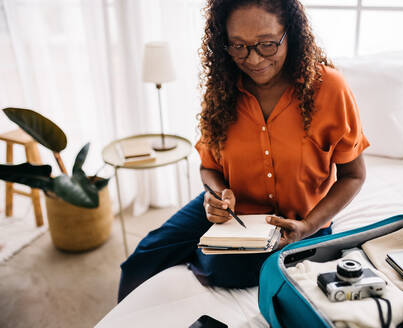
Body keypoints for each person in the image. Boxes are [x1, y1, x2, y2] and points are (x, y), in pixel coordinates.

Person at [117, 0, 369, 302]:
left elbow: (353, 175)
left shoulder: (329, 88)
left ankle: (201, 259)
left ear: (291, 34)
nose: (252, 59)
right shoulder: (222, 88)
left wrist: (308, 226)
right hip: (232, 213)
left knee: (230, 272)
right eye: (238, 46)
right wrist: (219, 193)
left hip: (301, 222)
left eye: (266, 45)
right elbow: (208, 167)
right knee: (143, 257)